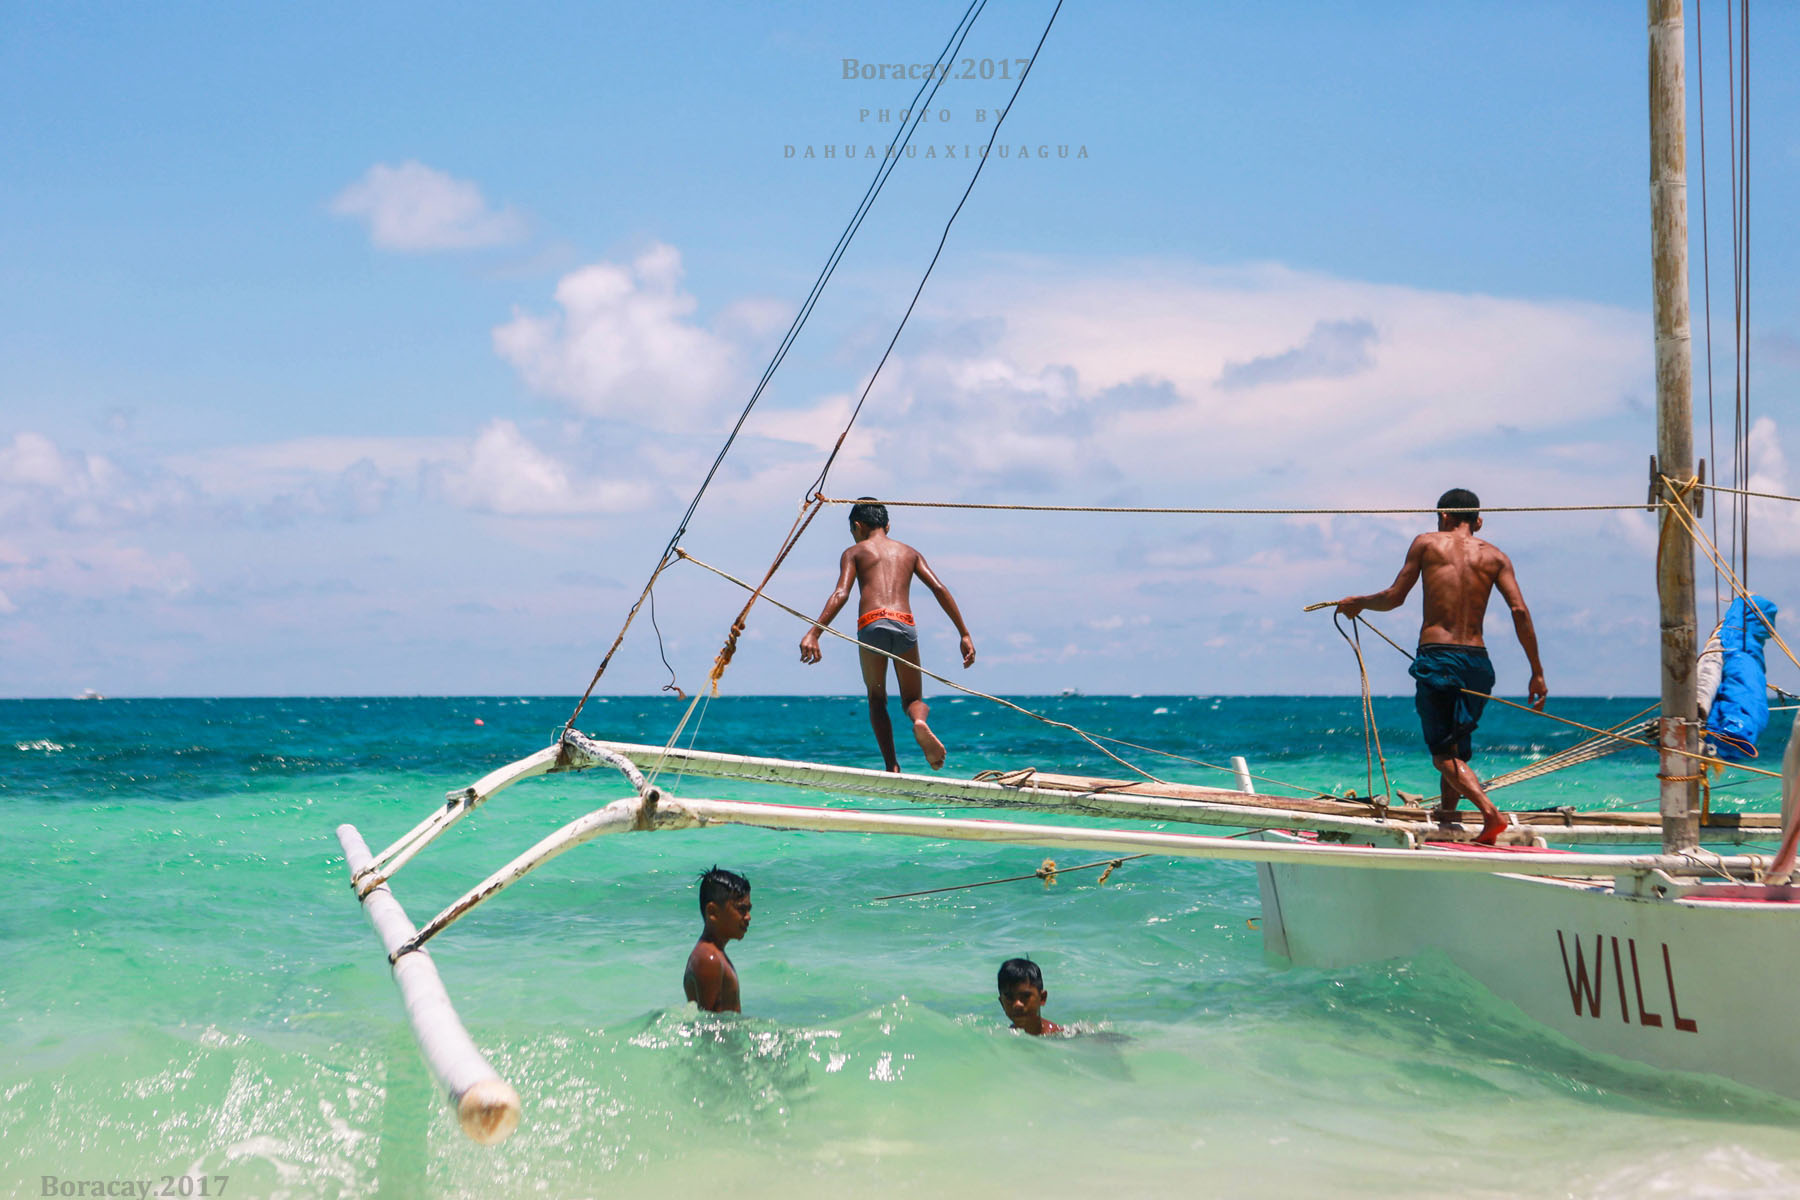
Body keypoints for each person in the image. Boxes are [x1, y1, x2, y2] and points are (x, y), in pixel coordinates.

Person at [1334, 488, 1548, 845]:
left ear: (1445, 517)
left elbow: (1394, 597)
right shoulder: (1496, 556)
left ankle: (1489, 814)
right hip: (1478, 662)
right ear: (1478, 521)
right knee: (1456, 748)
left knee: (1441, 754)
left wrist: (1359, 603)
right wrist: (1536, 671)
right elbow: (1520, 612)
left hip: (1439, 656)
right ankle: (1448, 820)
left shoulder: (1427, 543)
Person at [799, 497, 976, 772]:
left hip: (871, 624)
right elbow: (939, 589)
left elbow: (841, 593)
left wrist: (814, 632)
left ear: (857, 526)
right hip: (904, 623)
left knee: (877, 698)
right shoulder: (909, 552)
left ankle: (892, 766)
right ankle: (919, 722)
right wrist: (963, 633)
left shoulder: (855, 552)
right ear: (888, 525)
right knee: (912, 699)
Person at [684, 866, 751, 1013]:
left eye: (749, 910)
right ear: (712, 912)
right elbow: (708, 1024)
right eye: (741, 909)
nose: (748, 917)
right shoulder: (709, 959)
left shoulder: (712, 955)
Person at [997, 958, 1062, 1036]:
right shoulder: (1004, 1036)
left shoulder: (1060, 1036)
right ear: (1002, 1003)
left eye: (1026, 996)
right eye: (1010, 997)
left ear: (1042, 998)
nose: (1017, 1004)